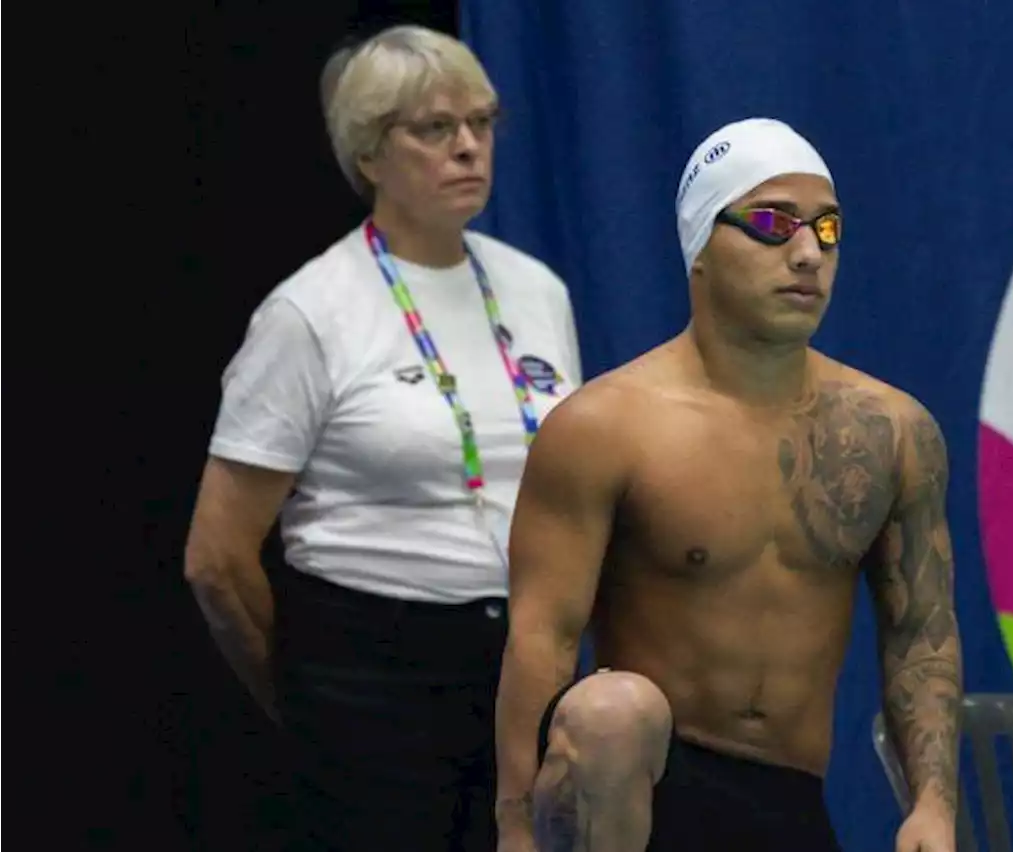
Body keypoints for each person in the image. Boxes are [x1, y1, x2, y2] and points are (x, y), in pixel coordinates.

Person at [493, 117, 962, 852]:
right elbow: (541, 638)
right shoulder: (606, 426)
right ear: (700, 247)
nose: (807, 253)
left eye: (828, 229)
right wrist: (516, 831)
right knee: (611, 711)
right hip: (643, 797)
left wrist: (933, 805)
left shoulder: (893, 432)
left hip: (789, 800)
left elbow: (921, 634)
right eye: (773, 224)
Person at [183, 24, 582, 852]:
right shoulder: (312, 312)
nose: (469, 147)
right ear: (369, 154)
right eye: (435, 129)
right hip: (370, 678)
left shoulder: (536, 291)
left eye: (482, 122)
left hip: (521, 662)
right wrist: (310, 695)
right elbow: (217, 559)